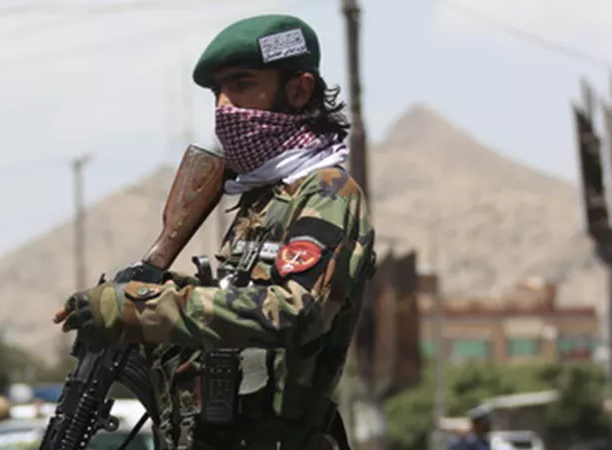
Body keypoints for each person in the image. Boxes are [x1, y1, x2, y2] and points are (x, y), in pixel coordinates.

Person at [53, 13, 375, 450]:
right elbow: (232, 298)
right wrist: (151, 288)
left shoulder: (326, 192)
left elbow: (297, 310)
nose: (224, 105)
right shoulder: (262, 198)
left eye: (241, 84)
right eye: (216, 91)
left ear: (299, 90)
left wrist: (142, 307)